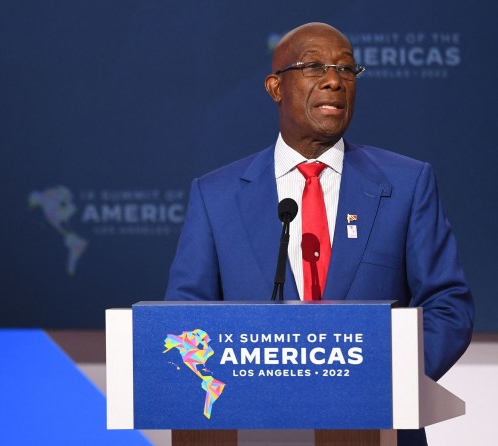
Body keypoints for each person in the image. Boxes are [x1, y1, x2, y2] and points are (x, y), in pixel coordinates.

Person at [165, 22, 474, 445]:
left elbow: (448, 304)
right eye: (314, 67)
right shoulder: (216, 196)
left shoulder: (406, 183)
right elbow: (185, 320)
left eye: (346, 70)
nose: (334, 81)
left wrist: (389, 382)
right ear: (276, 88)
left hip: (376, 427)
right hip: (253, 427)